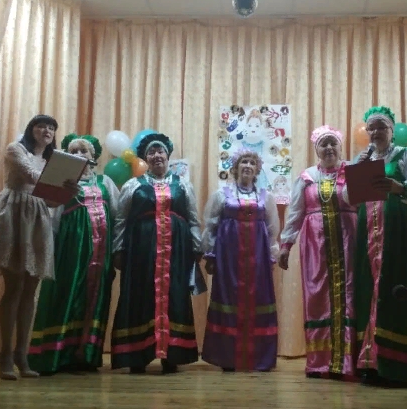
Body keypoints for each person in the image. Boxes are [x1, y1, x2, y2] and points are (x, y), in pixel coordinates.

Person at [0, 114, 79, 380]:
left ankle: (22, 354)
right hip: (13, 215)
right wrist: (62, 178)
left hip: (38, 218)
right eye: (41, 125)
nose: (47, 130)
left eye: (52, 127)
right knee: (13, 287)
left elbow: (51, 201)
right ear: (31, 129)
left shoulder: (51, 162)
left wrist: (68, 191)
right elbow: (32, 177)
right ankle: (5, 355)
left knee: (31, 290)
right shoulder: (16, 149)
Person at [110, 132, 207, 374]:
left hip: (176, 250)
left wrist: (197, 246)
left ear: (167, 155)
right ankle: (137, 355)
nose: (156, 155)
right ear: (145, 158)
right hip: (141, 250)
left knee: (175, 294)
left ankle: (172, 354)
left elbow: (193, 218)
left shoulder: (182, 184)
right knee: (140, 294)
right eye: (151, 152)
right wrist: (118, 248)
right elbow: (121, 219)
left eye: (160, 151)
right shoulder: (133, 185)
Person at [27, 134, 120, 375]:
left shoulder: (106, 182)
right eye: (73, 151)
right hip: (71, 251)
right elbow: (52, 219)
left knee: (96, 299)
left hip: (101, 254)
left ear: (93, 156)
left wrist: (117, 249)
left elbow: (117, 215)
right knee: (67, 295)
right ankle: (59, 355)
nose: (79, 155)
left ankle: (87, 355)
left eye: (83, 151)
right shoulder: (61, 183)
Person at [353, 106, 407, 387]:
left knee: (394, 287)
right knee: (369, 289)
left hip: (398, 231)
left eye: (381, 127)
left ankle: (399, 367)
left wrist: (398, 187)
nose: (375, 132)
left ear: (392, 130)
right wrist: (357, 172)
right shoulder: (364, 158)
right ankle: (370, 362)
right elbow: (349, 197)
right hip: (368, 233)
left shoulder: (406, 155)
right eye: (371, 128)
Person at [278, 125, 359, 380]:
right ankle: (320, 362)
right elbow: (295, 213)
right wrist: (285, 245)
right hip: (316, 245)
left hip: (349, 241)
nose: (329, 148)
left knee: (350, 295)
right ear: (316, 150)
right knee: (317, 297)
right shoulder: (307, 177)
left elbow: (368, 205)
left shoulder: (353, 172)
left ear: (340, 147)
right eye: (324, 144)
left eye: (333, 143)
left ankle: (349, 361)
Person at [200, 148, 282, 372]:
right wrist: (210, 254)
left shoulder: (266, 197)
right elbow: (211, 225)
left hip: (258, 258)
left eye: (252, 163)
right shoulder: (221, 195)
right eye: (243, 162)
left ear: (257, 169)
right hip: (229, 258)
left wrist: (272, 254)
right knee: (229, 298)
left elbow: (272, 229)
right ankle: (227, 357)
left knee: (258, 299)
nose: (247, 166)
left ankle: (259, 358)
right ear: (235, 168)